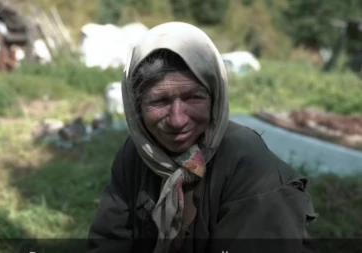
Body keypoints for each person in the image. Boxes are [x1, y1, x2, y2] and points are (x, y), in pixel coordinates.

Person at [87, 22, 317, 253]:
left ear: (215, 96)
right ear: (135, 107)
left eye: (193, 97)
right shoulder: (138, 152)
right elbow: (109, 240)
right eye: (159, 101)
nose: (177, 120)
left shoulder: (251, 168)